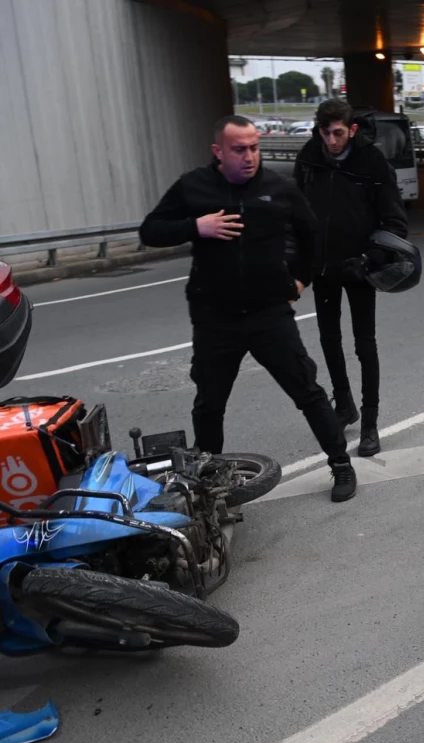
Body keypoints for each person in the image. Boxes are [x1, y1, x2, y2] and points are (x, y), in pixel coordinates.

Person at [139, 115, 357, 503]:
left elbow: (312, 236)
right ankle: (209, 482)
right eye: (239, 149)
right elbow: (150, 230)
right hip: (215, 318)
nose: (249, 156)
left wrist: (301, 280)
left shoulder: (278, 187)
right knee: (209, 403)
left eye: (254, 147)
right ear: (218, 152)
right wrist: (195, 227)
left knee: (308, 391)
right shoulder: (194, 186)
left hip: (269, 314)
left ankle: (341, 463)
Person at [294, 100, 409, 457]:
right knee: (329, 339)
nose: (331, 140)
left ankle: (371, 423)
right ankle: (344, 405)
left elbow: (394, 221)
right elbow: (295, 213)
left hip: (360, 268)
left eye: (338, 133)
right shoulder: (309, 158)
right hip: (323, 269)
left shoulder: (372, 162)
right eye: (325, 132)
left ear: (352, 129)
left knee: (364, 345)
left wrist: (370, 259)